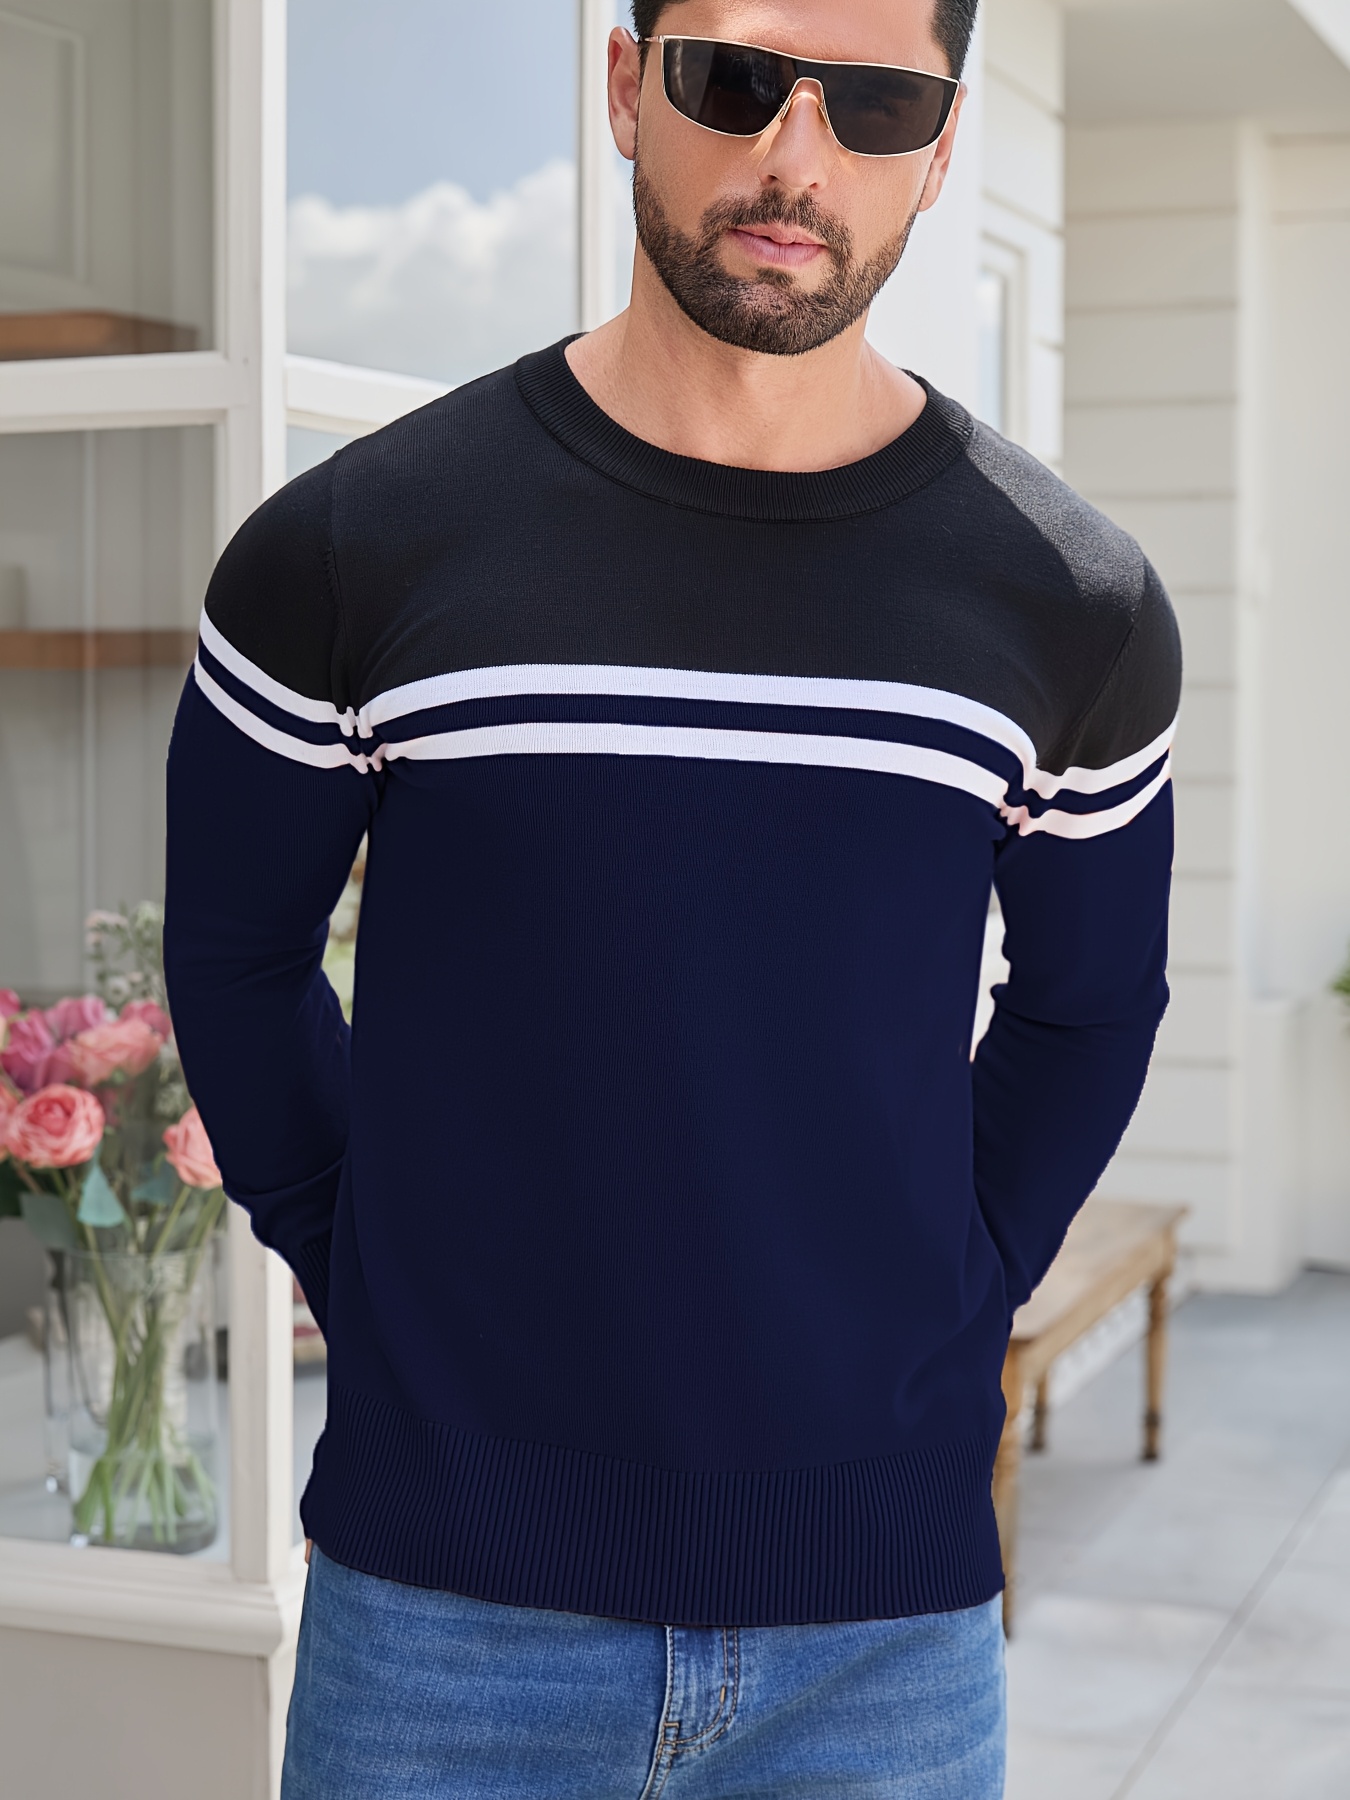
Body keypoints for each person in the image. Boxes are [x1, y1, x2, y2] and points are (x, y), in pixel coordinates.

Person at [164, 0, 1181, 1793]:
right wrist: (358, 1251)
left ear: (941, 148)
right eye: (735, 79)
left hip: (879, 1645)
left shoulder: (1069, 603)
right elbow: (238, 955)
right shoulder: (350, 548)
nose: (796, 157)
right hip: (440, 1624)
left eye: (874, 105)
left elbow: (1089, 1008)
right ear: (628, 88)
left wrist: (956, 1286)